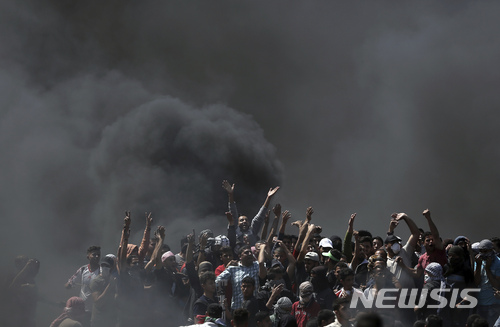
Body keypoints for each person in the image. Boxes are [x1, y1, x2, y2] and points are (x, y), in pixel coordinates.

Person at [223, 180, 280, 246]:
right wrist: (230, 195)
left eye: (246, 220)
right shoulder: (235, 231)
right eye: (241, 220)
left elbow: (259, 217)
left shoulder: (252, 232)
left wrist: (268, 198)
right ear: (237, 223)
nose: (244, 221)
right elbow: (233, 212)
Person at [216, 245, 266, 310]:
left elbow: (261, 263)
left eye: (251, 252)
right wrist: (227, 267)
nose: (250, 254)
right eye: (246, 253)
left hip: (254, 308)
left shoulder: (257, 266)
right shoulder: (233, 269)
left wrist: (262, 248)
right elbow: (217, 282)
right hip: (237, 308)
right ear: (240, 256)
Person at [65, 245, 101, 310]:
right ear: (88, 257)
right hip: (82, 308)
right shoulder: (83, 269)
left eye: (98, 255)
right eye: (94, 255)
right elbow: (71, 281)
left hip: (95, 308)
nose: (97, 257)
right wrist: (69, 284)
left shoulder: (102, 271)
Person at [474, 239, 500, 326]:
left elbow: (497, 285)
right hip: (481, 301)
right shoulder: (479, 261)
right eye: (480, 251)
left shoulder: (498, 263)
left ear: (491, 250)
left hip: (493, 303)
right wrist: (478, 266)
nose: (482, 254)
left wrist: (488, 269)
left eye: (485, 251)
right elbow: (476, 282)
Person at [90, 255, 118, 327]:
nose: (104, 267)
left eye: (107, 266)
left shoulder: (113, 278)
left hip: (111, 319)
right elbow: (98, 302)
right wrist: (110, 286)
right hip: (99, 320)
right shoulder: (96, 281)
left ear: (112, 268)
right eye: (103, 265)